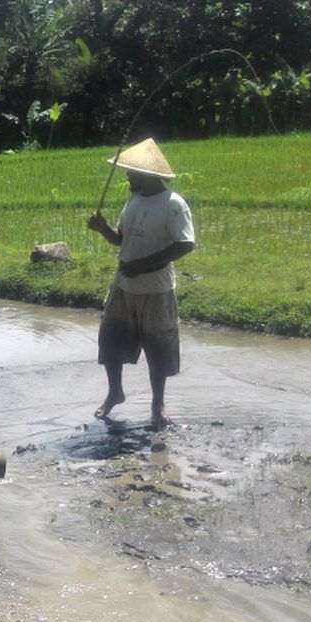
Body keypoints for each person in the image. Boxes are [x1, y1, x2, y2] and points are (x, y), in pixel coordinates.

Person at [86, 137, 195, 427]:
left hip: (156, 288)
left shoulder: (173, 204)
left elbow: (185, 244)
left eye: (131, 171)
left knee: (157, 346)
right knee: (110, 339)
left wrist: (145, 264)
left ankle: (157, 405)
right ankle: (115, 393)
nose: (127, 176)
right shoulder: (134, 201)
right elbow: (120, 239)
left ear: (147, 175)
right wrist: (102, 229)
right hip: (124, 284)